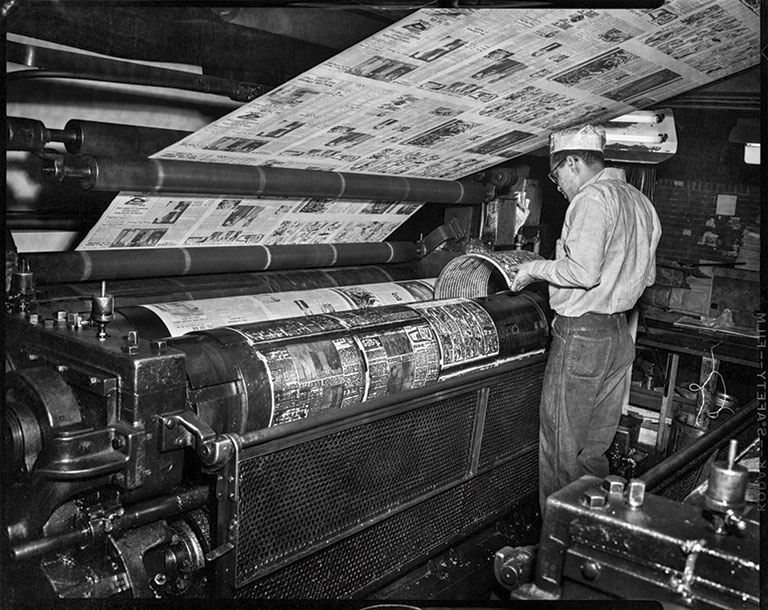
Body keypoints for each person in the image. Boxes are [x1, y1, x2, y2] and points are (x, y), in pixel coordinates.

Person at [509, 124, 661, 513]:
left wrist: (534, 269)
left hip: (582, 339)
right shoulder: (639, 201)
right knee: (593, 452)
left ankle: (555, 557)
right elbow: (647, 277)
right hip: (618, 336)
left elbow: (582, 272)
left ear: (573, 162)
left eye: (557, 173)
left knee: (561, 450)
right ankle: (586, 542)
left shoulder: (593, 199)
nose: (558, 185)